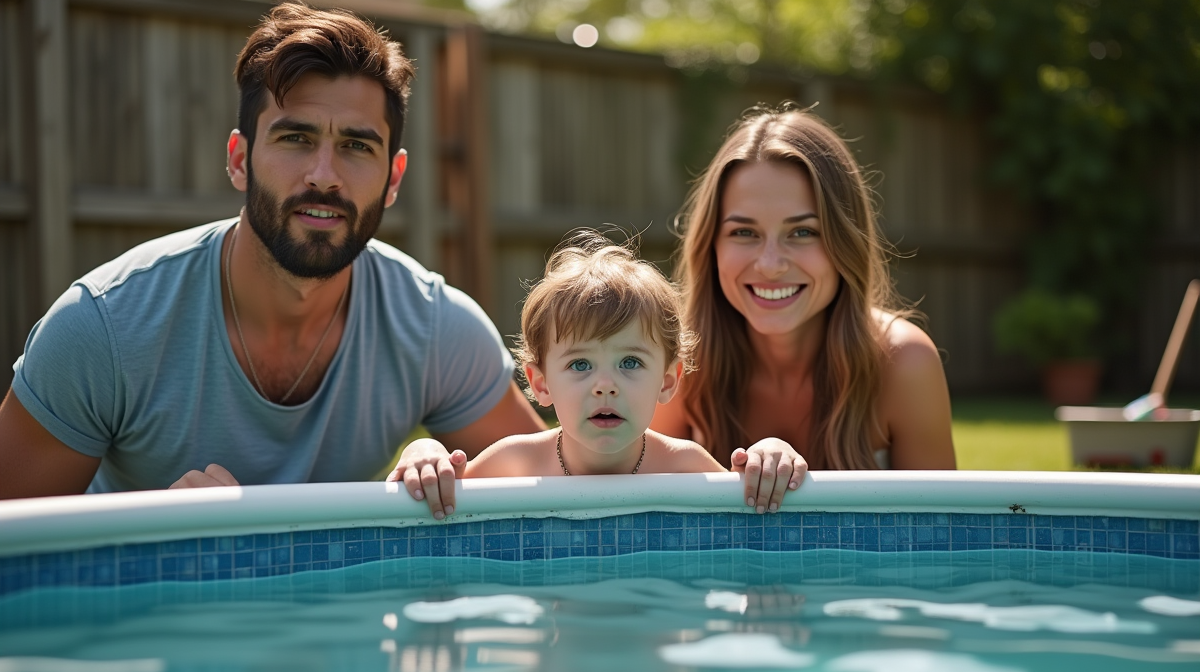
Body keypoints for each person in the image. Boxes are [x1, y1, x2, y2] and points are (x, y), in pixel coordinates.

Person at [0, 3, 542, 501]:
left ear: (393, 179)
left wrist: (440, 460)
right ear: (240, 161)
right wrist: (152, 537)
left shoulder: (434, 328)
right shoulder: (103, 328)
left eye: (356, 146)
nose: (324, 176)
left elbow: (562, 496)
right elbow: (15, 549)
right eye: (295, 139)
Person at [651, 105, 955, 475]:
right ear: (711, 246)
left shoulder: (904, 361)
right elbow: (643, 521)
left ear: (846, 242)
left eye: (803, 232)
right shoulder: (675, 361)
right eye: (744, 232)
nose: (770, 264)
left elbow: (939, 529)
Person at [441, 233, 724, 482]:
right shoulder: (514, 463)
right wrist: (425, 454)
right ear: (541, 384)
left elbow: (755, 517)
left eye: (630, 362)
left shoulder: (685, 467)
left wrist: (766, 459)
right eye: (580, 364)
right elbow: (438, 500)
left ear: (667, 381)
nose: (605, 385)